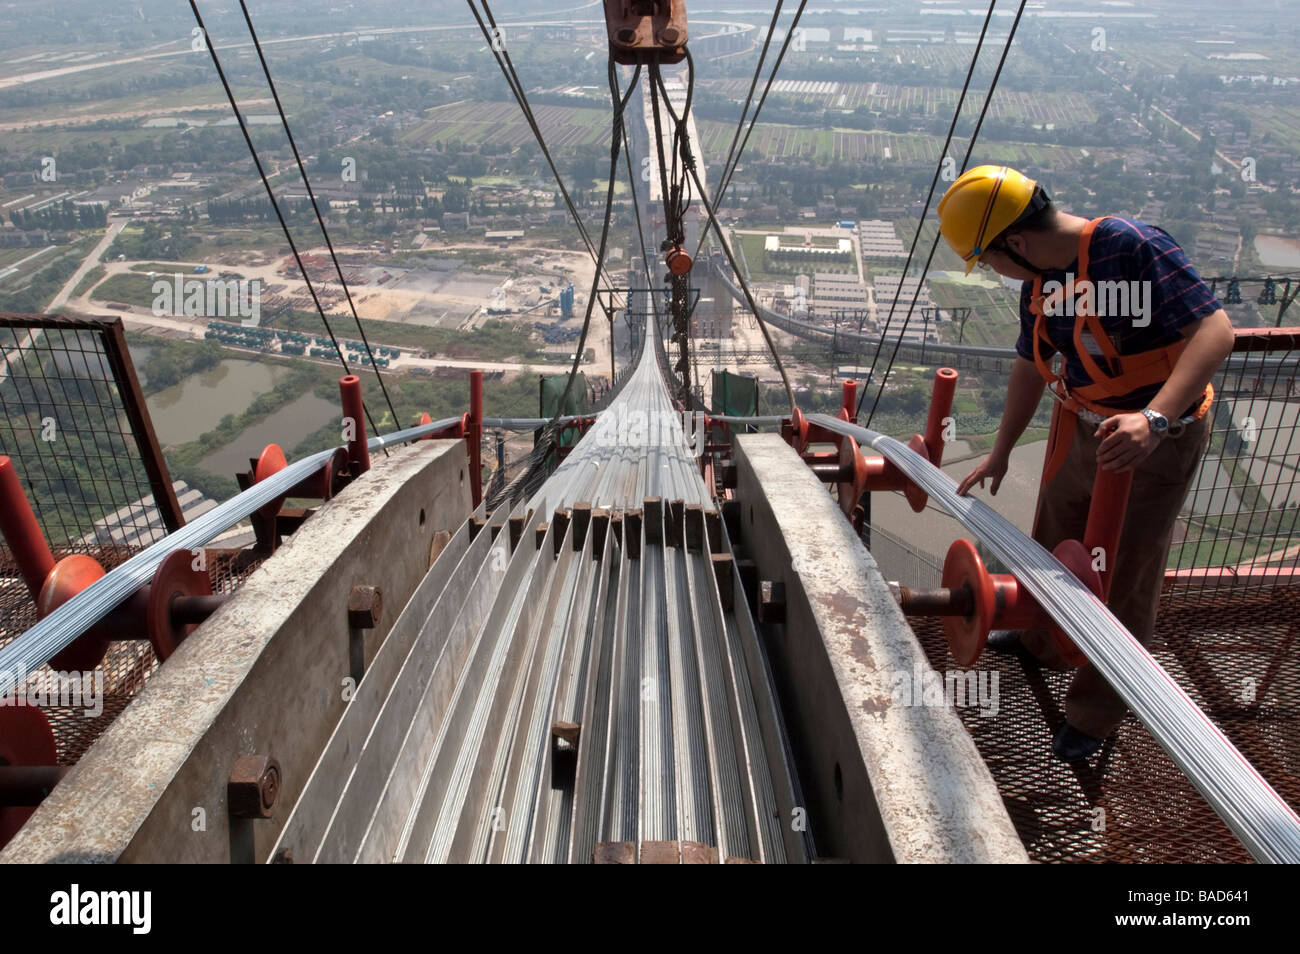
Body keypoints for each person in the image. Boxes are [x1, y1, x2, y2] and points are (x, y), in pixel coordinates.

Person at [936, 165, 1235, 760]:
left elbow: (1216, 331)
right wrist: (1000, 449)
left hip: (1156, 439)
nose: (994, 272)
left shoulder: (1132, 248)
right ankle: (1043, 639)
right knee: (1055, 536)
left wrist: (1153, 420)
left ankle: (1096, 714)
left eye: (989, 260)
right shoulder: (1044, 282)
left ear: (1015, 243)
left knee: (1124, 571)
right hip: (1084, 425)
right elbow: (1029, 363)